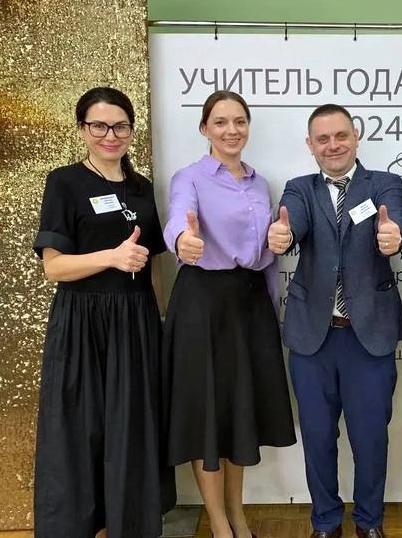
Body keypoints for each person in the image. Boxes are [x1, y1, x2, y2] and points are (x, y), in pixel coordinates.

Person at [32, 86, 175, 538]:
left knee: (132, 427)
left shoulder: (143, 189)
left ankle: (129, 525)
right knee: (79, 428)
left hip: (136, 322)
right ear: (82, 129)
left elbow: (152, 264)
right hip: (82, 323)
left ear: (131, 130)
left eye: (120, 126)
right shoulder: (65, 182)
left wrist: (160, 319)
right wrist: (110, 257)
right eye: (99, 126)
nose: (110, 135)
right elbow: (53, 267)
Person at [267, 104, 402, 538]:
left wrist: (392, 236)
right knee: (317, 438)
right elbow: (293, 222)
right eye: (323, 139)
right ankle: (326, 523)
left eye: (341, 136)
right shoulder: (300, 188)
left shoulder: (384, 183)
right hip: (314, 338)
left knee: (371, 439)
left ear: (356, 136)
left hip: (368, 337)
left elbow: (394, 222)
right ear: (310, 145)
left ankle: (369, 522)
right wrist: (283, 235)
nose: (333, 145)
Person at [162, 90, 295, 538]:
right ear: (205, 129)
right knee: (208, 415)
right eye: (220, 122)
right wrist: (182, 240)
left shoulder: (260, 183)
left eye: (239, 121)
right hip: (204, 304)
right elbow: (179, 217)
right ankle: (218, 522)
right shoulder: (189, 177)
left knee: (240, 413)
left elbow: (268, 251)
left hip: (250, 305)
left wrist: (280, 242)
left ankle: (237, 514)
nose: (231, 130)